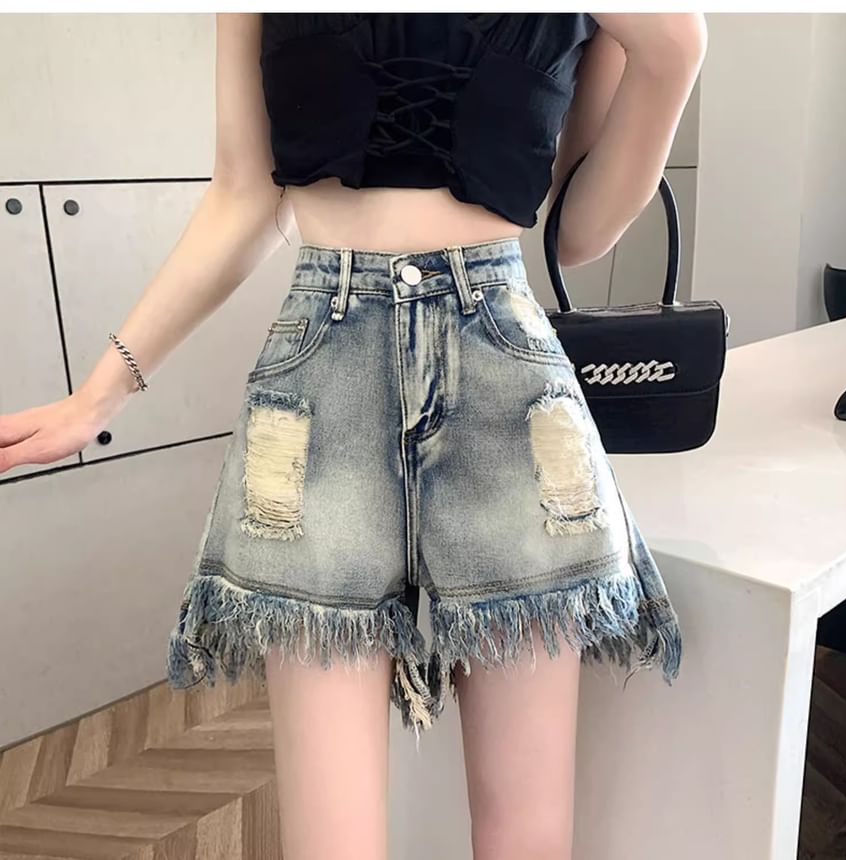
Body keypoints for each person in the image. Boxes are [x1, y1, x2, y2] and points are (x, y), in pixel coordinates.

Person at [0, 13, 706, 860]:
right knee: (329, 841)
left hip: (506, 387)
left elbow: (579, 231)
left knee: (527, 835)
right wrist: (99, 393)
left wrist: (676, 49)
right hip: (320, 390)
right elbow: (244, 192)